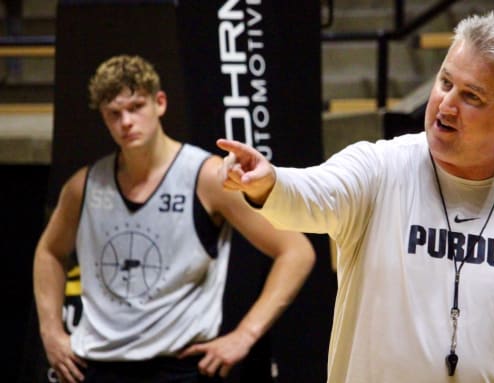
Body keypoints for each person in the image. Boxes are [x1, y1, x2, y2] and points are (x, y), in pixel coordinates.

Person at [216, 11, 494, 383]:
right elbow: (315, 193)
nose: (445, 105)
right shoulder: (381, 169)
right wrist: (270, 182)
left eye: (471, 96)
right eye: (445, 81)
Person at [32, 54, 316, 383]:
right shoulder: (84, 186)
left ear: (160, 103)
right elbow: (48, 252)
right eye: (114, 114)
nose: (126, 121)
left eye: (136, 106)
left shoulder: (205, 177)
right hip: (96, 366)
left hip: (179, 367)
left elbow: (296, 250)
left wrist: (246, 334)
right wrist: (51, 331)